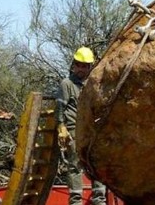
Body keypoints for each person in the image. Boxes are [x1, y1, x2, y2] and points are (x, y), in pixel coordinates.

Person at [55, 46, 106, 205]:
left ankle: (99, 200)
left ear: (90, 67)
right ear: (74, 65)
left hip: (91, 130)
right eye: (79, 65)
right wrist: (61, 127)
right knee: (75, 166)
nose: (81, 69)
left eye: (85, 66)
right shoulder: (67, 84)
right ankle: (76, 202)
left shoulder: (93, 84)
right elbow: (60, 108)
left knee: (96, 164)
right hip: (73, 130)